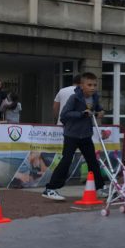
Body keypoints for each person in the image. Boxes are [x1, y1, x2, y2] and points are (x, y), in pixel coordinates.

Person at [42, 73, 105, 201]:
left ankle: (100, 188)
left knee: (92, 161)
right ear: (82, 85)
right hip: (72, 135)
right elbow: (64, 114)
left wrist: (100, 112)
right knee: (66, 160)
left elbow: (99, 109)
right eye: (89, 85)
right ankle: (50, 189)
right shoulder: (74, 98)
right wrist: (81, 114)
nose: (92, 88)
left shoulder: (95, 97)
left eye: (94, 85)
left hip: (86, 134)